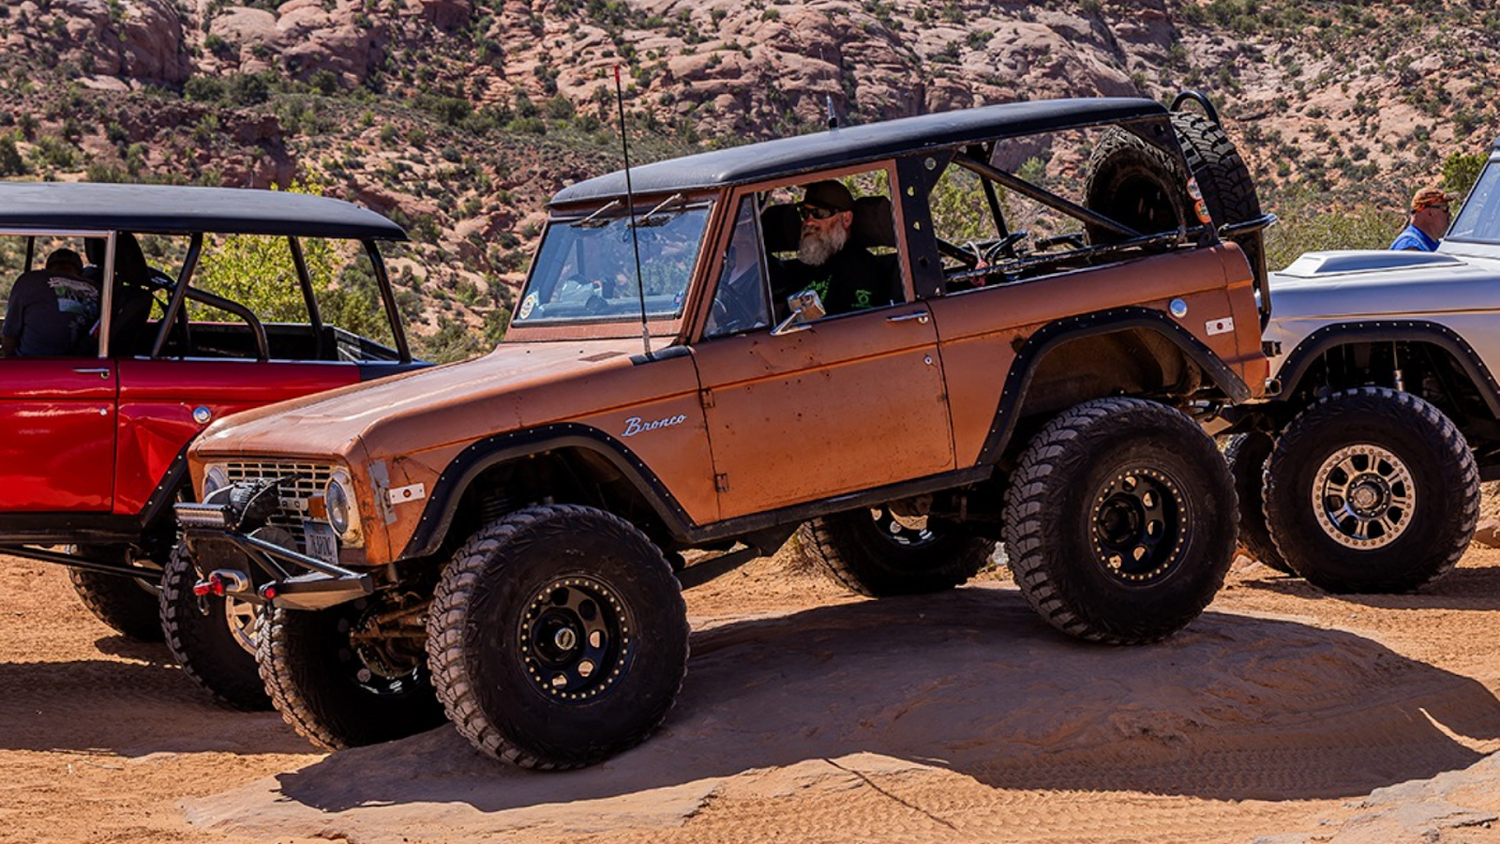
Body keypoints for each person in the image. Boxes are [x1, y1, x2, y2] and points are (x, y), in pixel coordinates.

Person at [784, 180, 901, 315]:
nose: (809, 221)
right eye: (804, 213)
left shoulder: (862, 269)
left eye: (819, 213)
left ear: (846, 219)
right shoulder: (805, 266)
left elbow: (857, 326)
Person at [1, 248, 101, 357]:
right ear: (81, 272)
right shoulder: (97, 289)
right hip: (84, 365)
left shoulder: (30, 280)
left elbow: (10, 334)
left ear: (47, 269)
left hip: (32, 364)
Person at [1390, 186, 1456, 252]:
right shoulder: (1410, 248)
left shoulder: (1433, 243)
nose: (1449, 214)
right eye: (1445, 209)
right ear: (1428, 213)